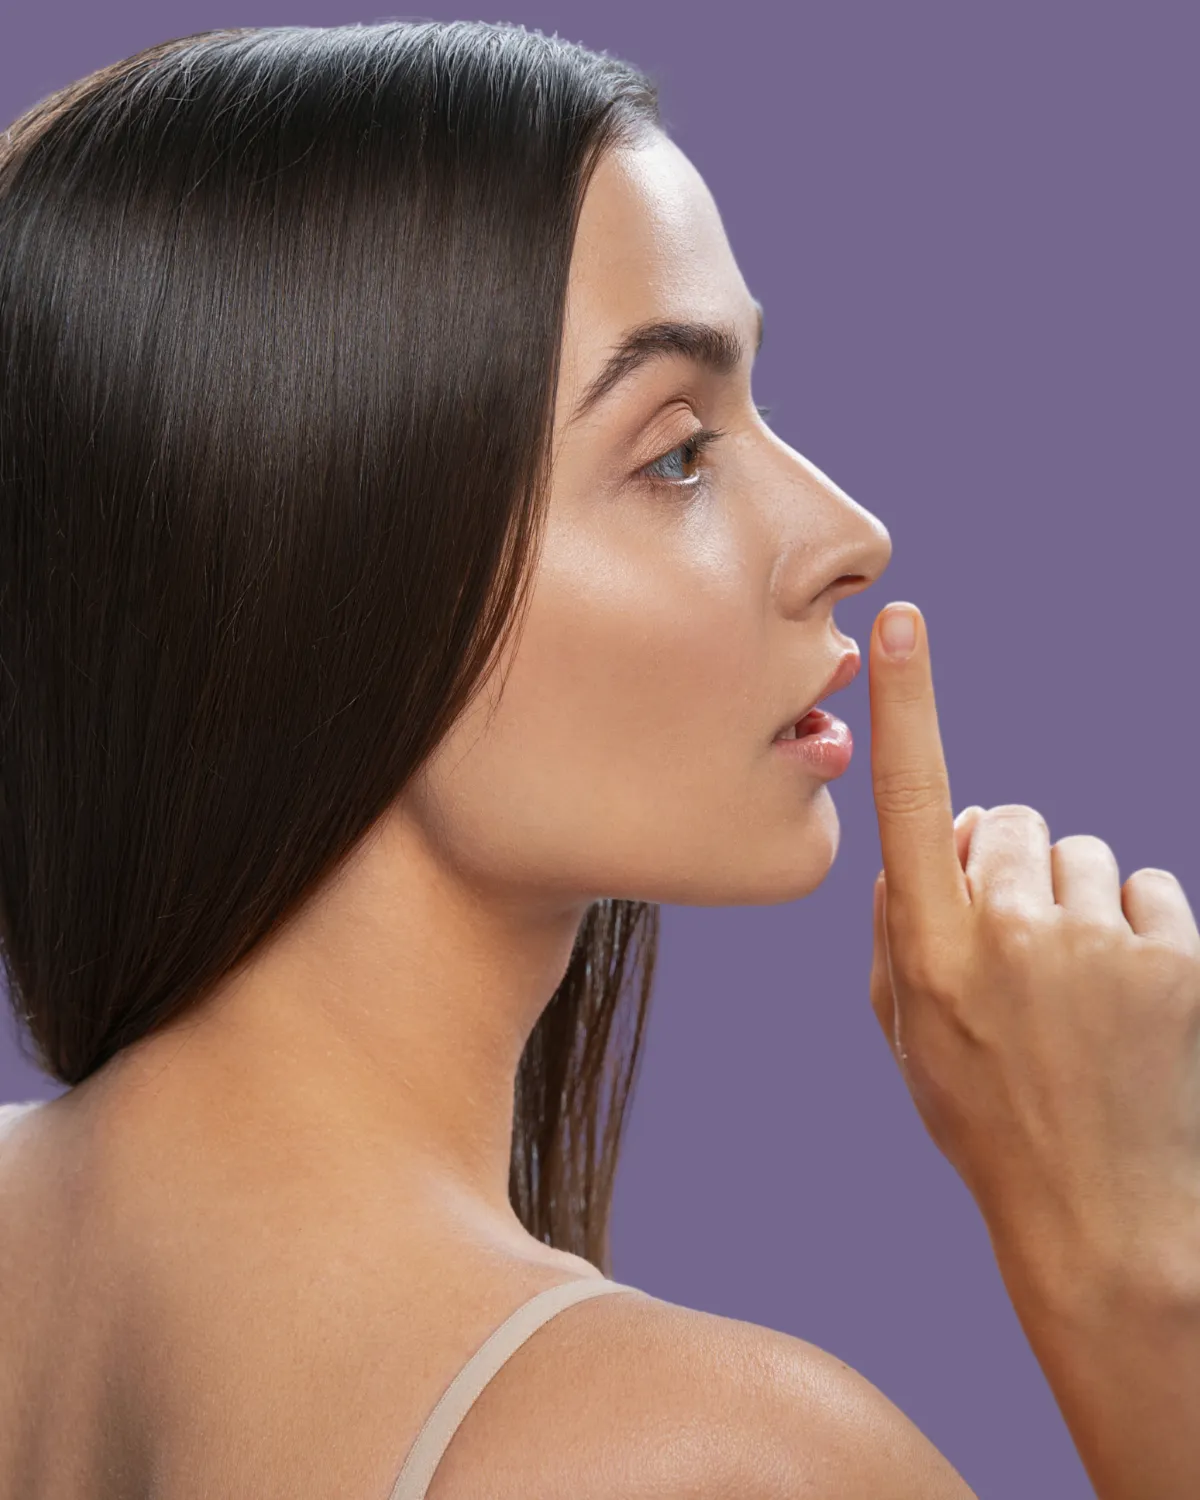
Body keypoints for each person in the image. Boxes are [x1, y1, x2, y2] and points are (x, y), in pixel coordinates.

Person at [0, 21, 1196, 1500]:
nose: (847, 534)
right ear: (319, 572)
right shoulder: (708, 1460)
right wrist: (1129, 1258)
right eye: (676, 451)